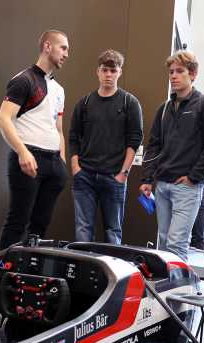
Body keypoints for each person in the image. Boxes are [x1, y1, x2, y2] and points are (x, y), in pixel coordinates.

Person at [140, 50, 204, 262]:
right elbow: (154, 146)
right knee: (164, 241)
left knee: (177, 244)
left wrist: (193, 177)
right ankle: (168, 291)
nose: (174, 76)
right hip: (162, 186)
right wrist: (148, 179)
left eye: (180, 71)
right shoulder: (164, 108)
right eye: (171, 72)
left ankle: (177, 293)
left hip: (187, 187)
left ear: (193, 74)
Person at [0, 30, 69, 249]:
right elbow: (3, 119)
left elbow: (59, 129)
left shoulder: (59, 89)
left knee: (39, 227)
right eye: (63, 48)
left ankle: (28, 276)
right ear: (47, 47)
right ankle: (3, 276)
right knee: (17, 223)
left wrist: (61, 162)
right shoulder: (23, 80)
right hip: (28, 159)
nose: (66, 54)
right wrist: (22, 151)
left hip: (54, 164)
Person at [69, 49, 143, 244]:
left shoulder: (130, 102)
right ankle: (84, 272)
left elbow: (134, 140)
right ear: (98, 72)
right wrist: (76, 167)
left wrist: (123, 174)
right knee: (83, 230)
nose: (108, 75)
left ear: (120, 72)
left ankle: (111, 274)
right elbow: (74, 137)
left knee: (113, 232)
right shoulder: (84, 103)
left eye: (113, 70)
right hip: (84, 177)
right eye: (104, 70)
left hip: (114, 177)